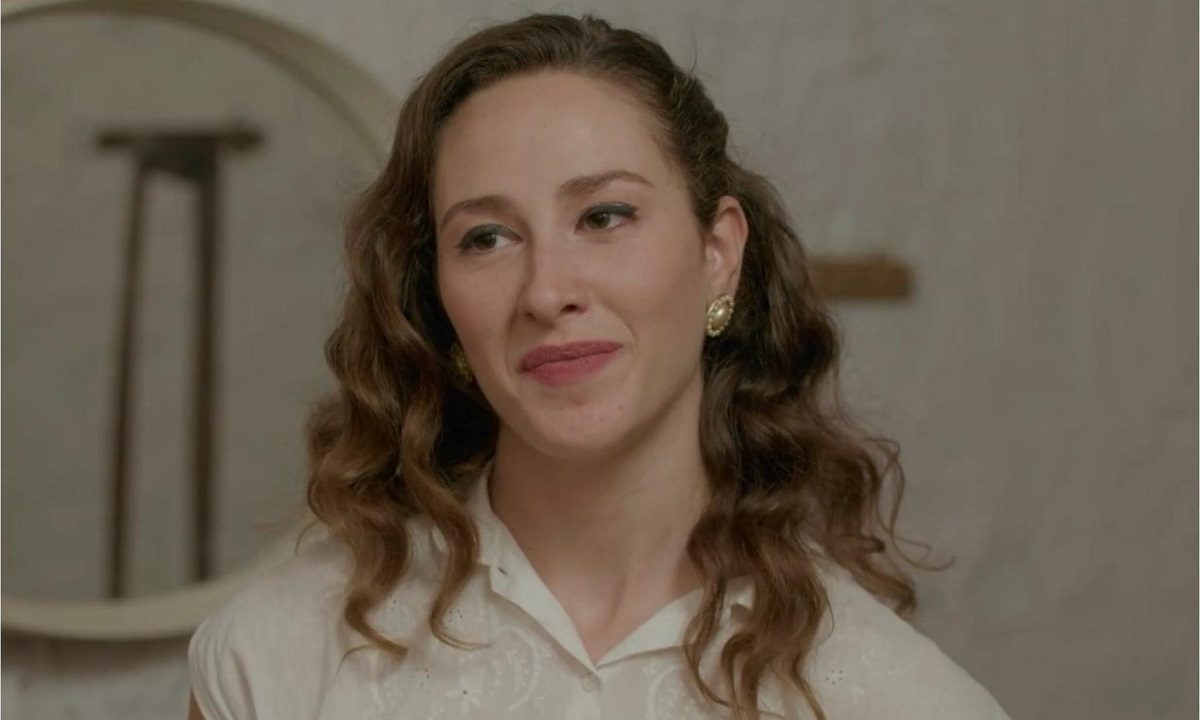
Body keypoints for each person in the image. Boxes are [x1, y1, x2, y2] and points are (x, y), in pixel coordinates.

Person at [187, 13, 1011, 720]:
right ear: (436, 298)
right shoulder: (282, 655)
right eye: (486, 237)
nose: (547, 291)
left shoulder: (898, 697)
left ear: (718, 255)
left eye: (604, 216)